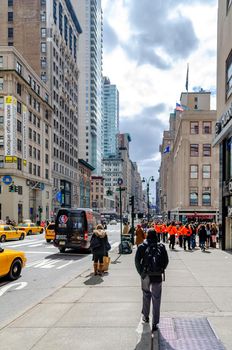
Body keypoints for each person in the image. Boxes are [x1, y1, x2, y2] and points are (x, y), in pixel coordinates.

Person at [135, 229, 169, 332]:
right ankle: (155, 322)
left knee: (146, 294)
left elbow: (137, 261)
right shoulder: (161, 246)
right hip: (157, 275)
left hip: (146, 275)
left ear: (147, 235)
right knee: (157, 298)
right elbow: (166, 261)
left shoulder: (142, 246)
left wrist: (141, 273)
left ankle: (146, 316)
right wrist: (161, 269)